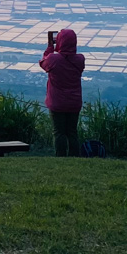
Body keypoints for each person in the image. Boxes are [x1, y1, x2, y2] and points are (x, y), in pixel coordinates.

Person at [40, 28, 85, 157]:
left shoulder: (54, 59)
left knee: (59, 132)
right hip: (74, 102)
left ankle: (60, 158)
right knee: (72, 132)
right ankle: (74, 157)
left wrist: (50, 48)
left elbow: (44, 63)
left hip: (57, 102)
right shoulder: (80, 59)